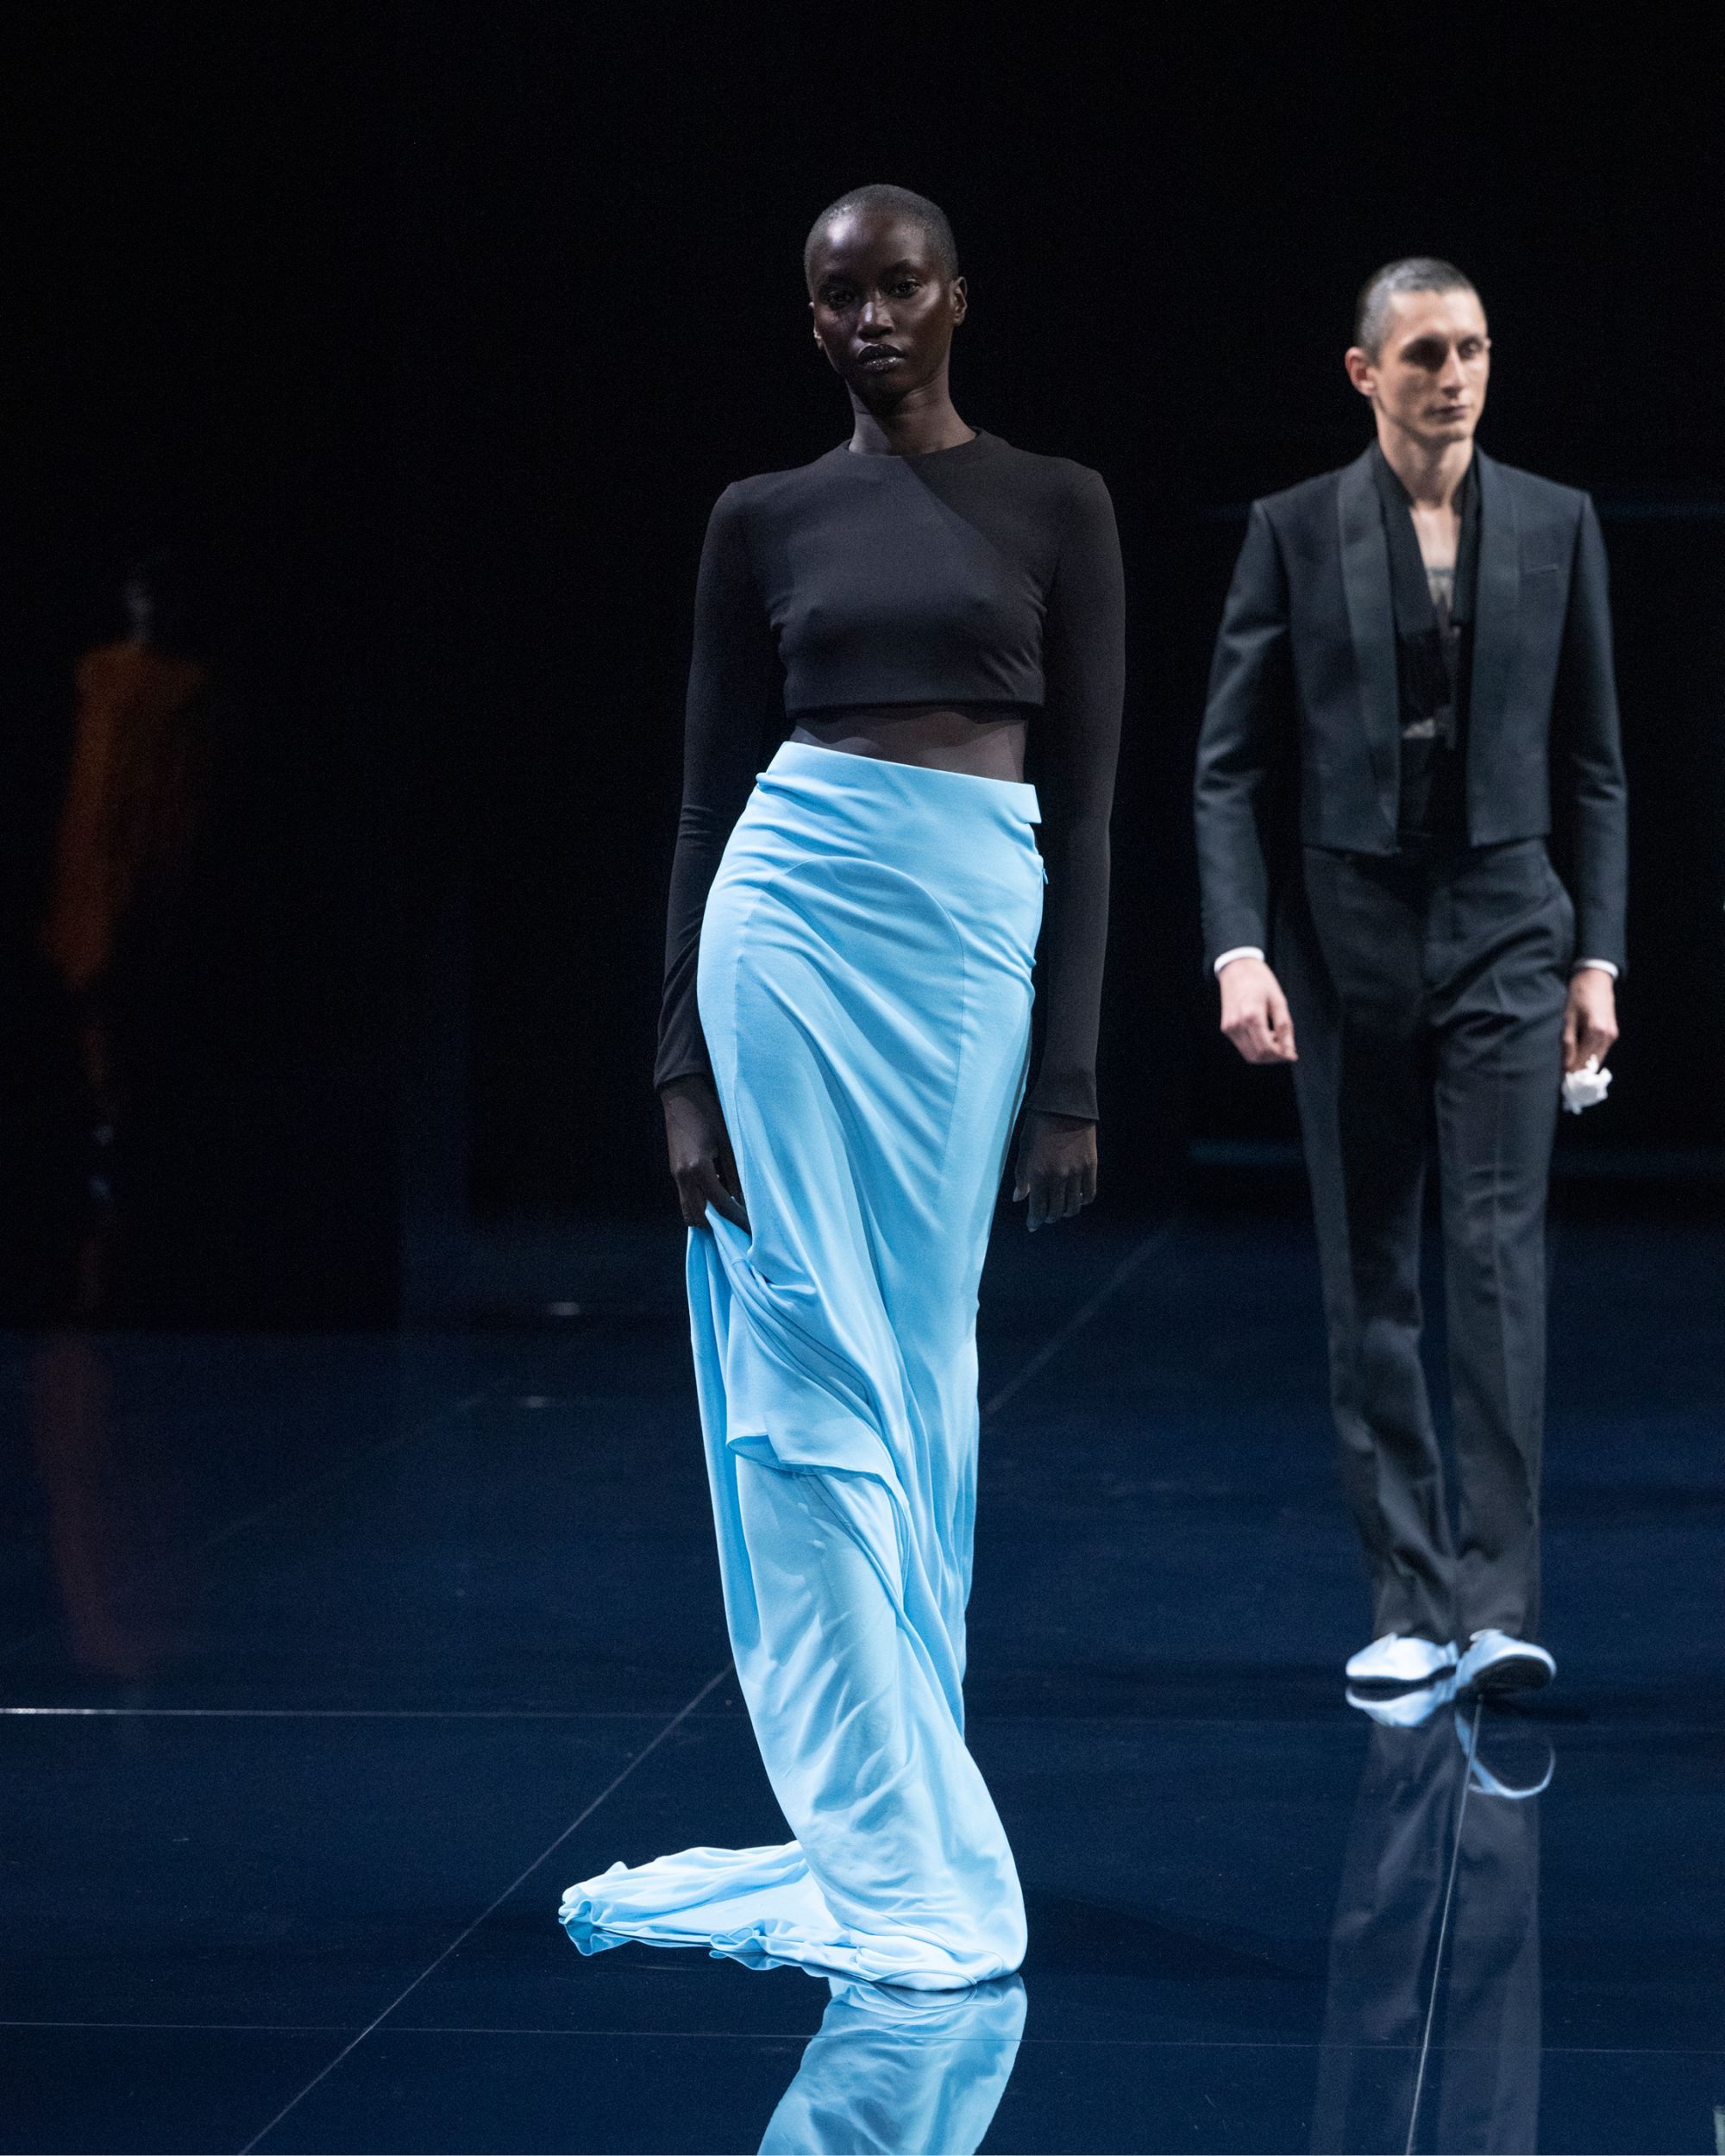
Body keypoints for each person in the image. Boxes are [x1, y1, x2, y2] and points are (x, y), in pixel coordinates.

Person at [559, 183, 1124, 1984]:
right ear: (810, 321)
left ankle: (900, 1785)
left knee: (922, 1368)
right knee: (804, 1361)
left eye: (897, 286)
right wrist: (677, 1066)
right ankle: (883, 1828)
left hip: (961, 947)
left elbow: (1093, 806)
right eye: (837, 295)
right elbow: (700, 801)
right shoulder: (761, 516)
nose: (870, 317)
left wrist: (1071, 1077)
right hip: (787, 926)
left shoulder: (1059, 503)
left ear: (958, 297)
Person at [1194, 259, 1626, 1698]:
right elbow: (1229, 763)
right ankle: (1407, 1600)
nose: (1456, 376)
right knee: (1369, 1259)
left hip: (1508, 921)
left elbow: (1596, 763)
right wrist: (1240, 946)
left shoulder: (1556, 522)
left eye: (1475, 349)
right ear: (1365, 371)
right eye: (1428, 352)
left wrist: (1598, 954)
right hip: (1347, 933)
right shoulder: (1294, 530)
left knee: (1497, 1259)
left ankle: (1498, 1604)